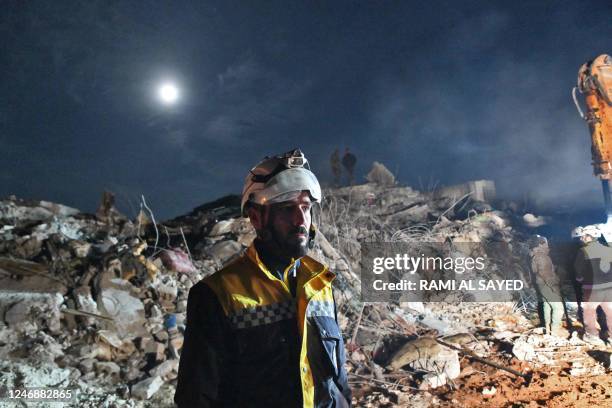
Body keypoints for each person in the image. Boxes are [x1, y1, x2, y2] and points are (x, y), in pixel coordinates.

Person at [175, 149, 351, 408]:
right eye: (287, 208)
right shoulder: (218, 295)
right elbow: (197, 398)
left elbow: (338, 382)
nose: (300, 220)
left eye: (305, 207)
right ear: (257, 217)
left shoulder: (320, 285)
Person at [572, 225, 612, 343]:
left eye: (583, 236)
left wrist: (580, 279)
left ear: (589, 237)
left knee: (589, 311)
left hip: (592, 288)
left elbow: (578, 269)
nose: (581, 238)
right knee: (610, 312)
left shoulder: (583, 251)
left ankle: (591, 335)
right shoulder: (608, 249)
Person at [528, 235, 564, 336]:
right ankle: (555, 332)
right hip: (547, 285)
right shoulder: (542, 256)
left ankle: (547, 330)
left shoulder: (535, 255)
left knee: (547, 305)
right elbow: (545, 273)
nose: (548, 245)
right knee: (558, 308)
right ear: (540, 244)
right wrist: (554, 286)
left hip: (540, 284)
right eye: (546, 243)